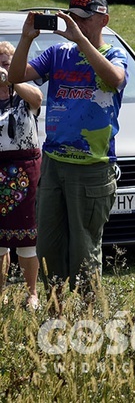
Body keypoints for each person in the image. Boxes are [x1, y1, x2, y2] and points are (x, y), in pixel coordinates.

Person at [9, 0, 127, 304]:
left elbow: (114, 79)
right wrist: (26, 39)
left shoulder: (113, 54)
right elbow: (16, 76)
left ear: (103, 20)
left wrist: (82, 41)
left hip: (92, 168)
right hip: (55, 164)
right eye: (72, 18)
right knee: (48, 246)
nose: (76, 24)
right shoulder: (58, 53)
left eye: (84, 20)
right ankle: (55, 316)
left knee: (84, 251)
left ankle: (87, 323)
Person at [0, 42, 43, 309]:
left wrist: (11, 80)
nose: (1, 69)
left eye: (6, 63)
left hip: (25, 173)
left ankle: (32, 293)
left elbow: (37, 100)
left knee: (27, 238)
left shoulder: (26, 93)